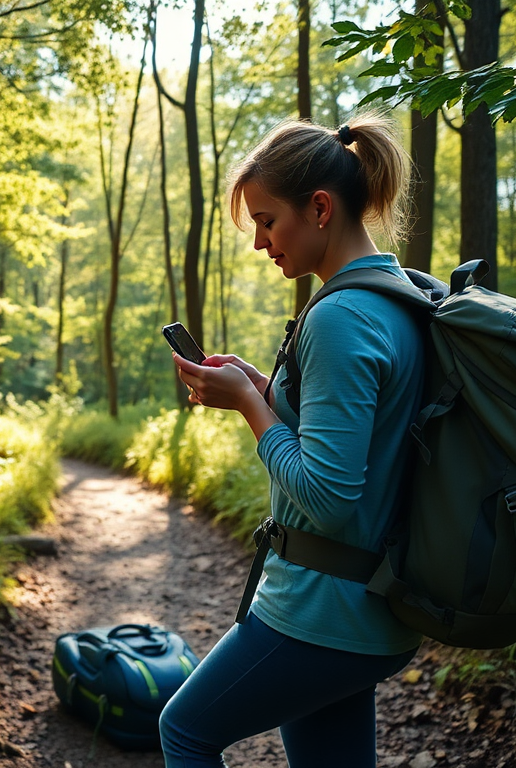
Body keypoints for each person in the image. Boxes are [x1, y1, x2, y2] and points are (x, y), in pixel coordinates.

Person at [160, 113, 424, 768]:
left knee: (184, 731)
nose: (259, 241)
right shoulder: (398, 296)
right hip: (370, 607)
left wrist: (251, 406)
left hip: (321, 610)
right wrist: (260, 384)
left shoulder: (339, 316)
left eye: (266, 220)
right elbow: (364, 436)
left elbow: (330, 496)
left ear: (321, 208)